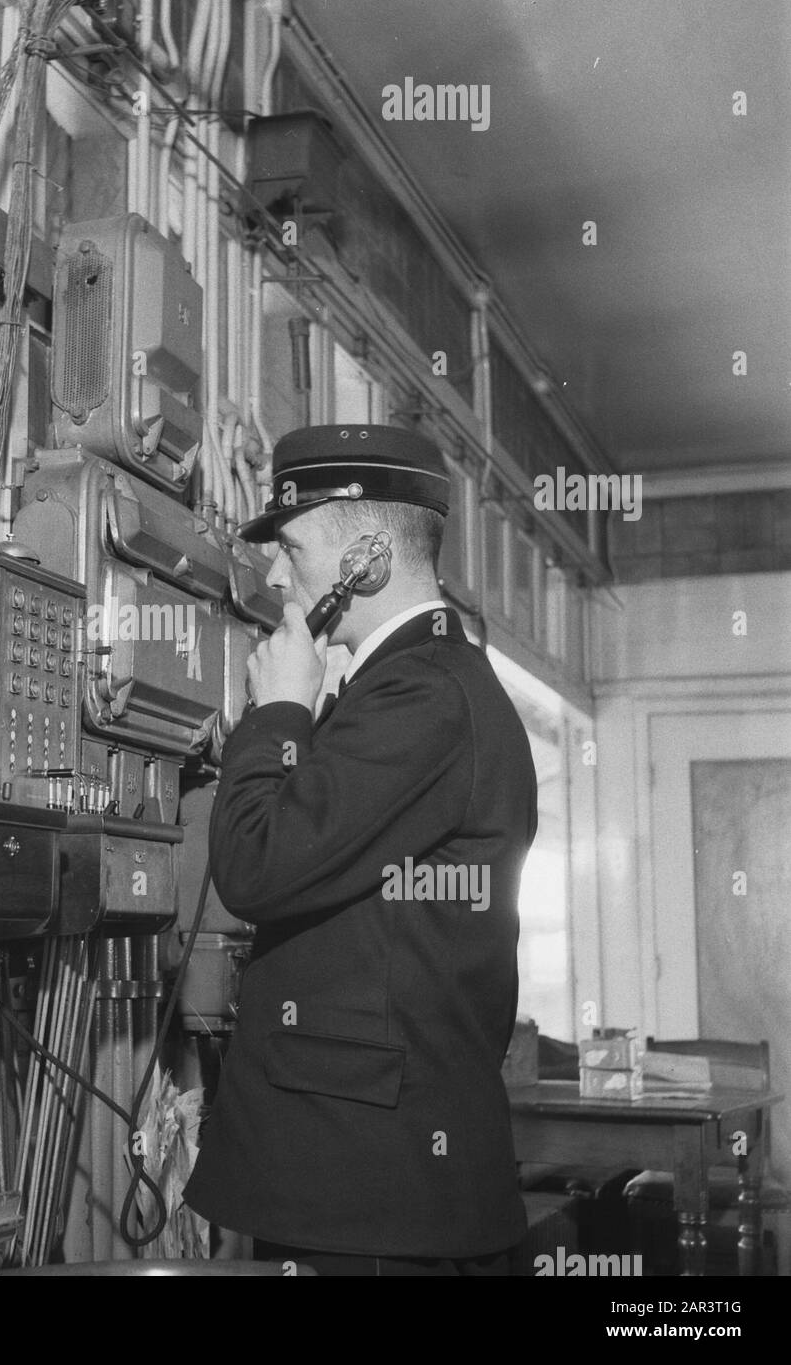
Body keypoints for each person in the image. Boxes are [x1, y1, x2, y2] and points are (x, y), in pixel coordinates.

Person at [182, 424, 538, 1276]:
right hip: (367, 1187)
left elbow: (257, 866)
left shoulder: (422, 697)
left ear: (367, 562)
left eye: (292, 549)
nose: (273, 575)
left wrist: (279, 711)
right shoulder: (419, 688)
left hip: (372, 1202)